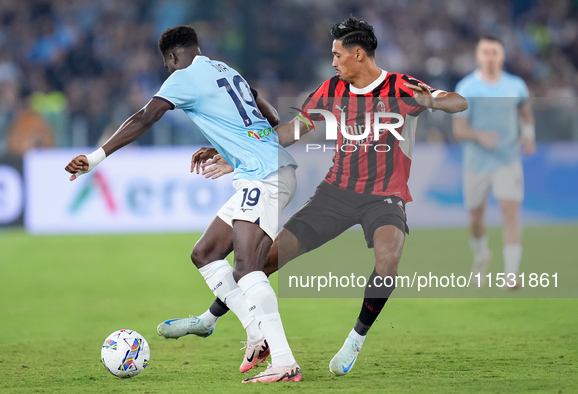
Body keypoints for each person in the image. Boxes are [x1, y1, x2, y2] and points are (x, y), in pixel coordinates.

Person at [160, 16, 468, 376]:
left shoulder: (401, 87)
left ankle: (355, 339)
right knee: (264, 260)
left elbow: (458, 103)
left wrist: (434, 100)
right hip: (335, 193)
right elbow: (290, 131)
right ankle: (209, 319)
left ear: (358, 54)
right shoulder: (332, 90)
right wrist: (235, 153)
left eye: (338, 55)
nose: (333, 62)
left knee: (388, 260)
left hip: (385, 195)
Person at [64, 25, 302, 383]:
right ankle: (256, 333)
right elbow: (268, 115)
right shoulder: (225, 69)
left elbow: (145, 117)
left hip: (263, 175)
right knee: (205, 253)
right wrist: (227, 146)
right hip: (268, 169)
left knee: (248, 269)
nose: (169, 74)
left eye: (167, 66)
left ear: (172, 57)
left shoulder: (182, 76)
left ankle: (284, 361)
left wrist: (96, 157)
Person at [453, 35, 536, 288]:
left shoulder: (516, 85)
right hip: (477, 162)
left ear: (502, 56)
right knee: (476, 218)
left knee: (510, 212)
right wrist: (479, 135)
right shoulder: (466, 88)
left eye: (495, 52)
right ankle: (481, 255)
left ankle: (511, 274)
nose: (490, 57)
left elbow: (525, 113)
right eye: (486, 52)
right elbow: (459, 130)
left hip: (508, 159)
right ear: (479, 56)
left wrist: (529, 136)